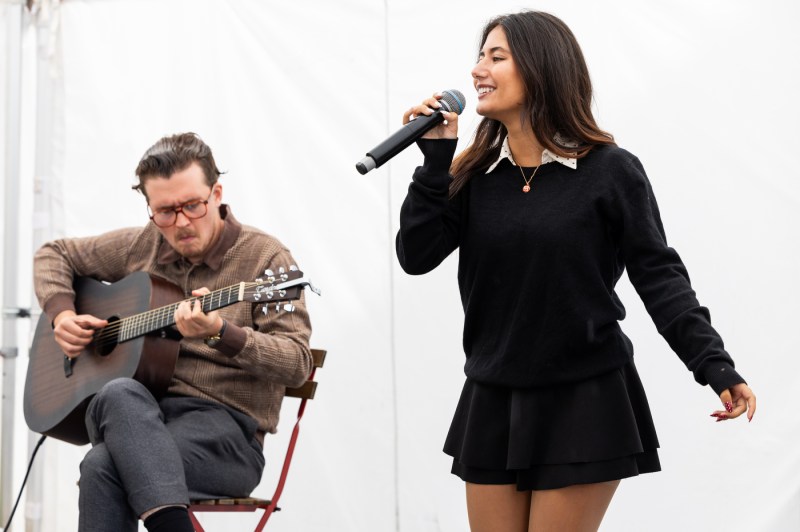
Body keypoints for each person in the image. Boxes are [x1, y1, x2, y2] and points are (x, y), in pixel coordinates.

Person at [395, 10, 756, 532]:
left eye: (497, 57)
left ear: (542, 68)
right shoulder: (475, 176)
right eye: (479, 56)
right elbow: (416, 255)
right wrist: (434, 163)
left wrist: (714, 364)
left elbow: (660, 277)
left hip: (583, 395)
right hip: (493, 391)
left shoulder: (610, 171)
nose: (478, 70)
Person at [33, 132, 313, 532]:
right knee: (119, 394)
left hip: (228, 441)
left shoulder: (266, 259)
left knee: (101, 466)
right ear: (149, 208)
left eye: (193, 206)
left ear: (216, 193)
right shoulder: (141, 246)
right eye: (165, 212)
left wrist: (219, 332)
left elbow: (296, 364)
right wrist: (62, 315)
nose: (181, 222)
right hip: (139, 419)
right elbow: (53, 254)